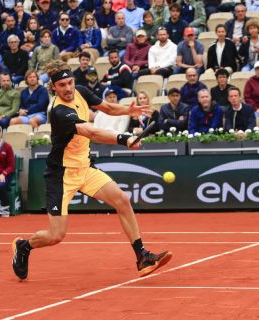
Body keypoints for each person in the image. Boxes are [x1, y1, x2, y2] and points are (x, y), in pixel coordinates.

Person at [11, 59, 172, 281]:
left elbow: (106, 107)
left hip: (85, 168)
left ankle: (142, 256)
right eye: (62, 85)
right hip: (62, 175)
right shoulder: (58, 111)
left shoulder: (81, 92)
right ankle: (24, 246)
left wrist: (128, 110)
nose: (68, 89)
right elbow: (92, 133)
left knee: (122, 200)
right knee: (56, 235)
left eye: (70, 83)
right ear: (54, 88)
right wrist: (125, 138)